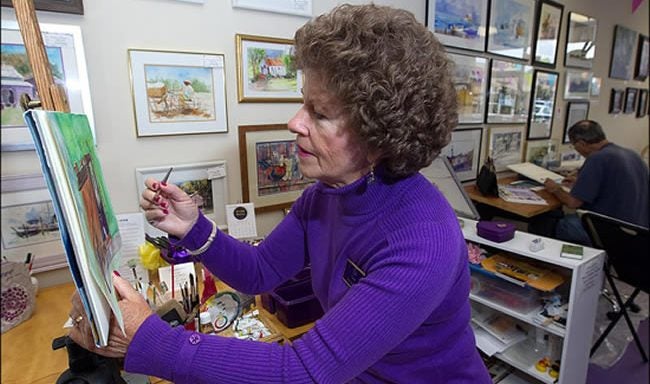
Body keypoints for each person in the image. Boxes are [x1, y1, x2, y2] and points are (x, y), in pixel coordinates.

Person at [69, 4, 491, 383]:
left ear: (381, 133)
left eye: (319, 113)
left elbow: (303, 371)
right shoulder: (326, 195)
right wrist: (192, 228)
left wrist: (151, 341)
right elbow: (260, 271)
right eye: (303, 103)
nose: (294, 122)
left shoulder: (422, 240)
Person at [543, 120, 649, 245]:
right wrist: (581, 182)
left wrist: (555, 189)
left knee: (559, 224)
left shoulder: (597, 158)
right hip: (640, 230)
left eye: (574, 145)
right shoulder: (632, 155)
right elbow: (615, 185)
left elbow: (573, 203)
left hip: (613, 231)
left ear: (582, 143)